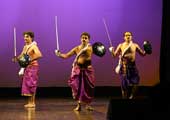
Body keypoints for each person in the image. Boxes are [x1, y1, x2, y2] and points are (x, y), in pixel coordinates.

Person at [55, 32, 98, 111]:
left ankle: (88, 105)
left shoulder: (90, 48)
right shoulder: (77, 48)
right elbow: (66, 56)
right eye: (83, 38)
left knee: (89, 88)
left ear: (88, 40)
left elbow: (100, 52)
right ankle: (79, 105)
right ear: (80, 39)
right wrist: (59, 54)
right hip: (78, 70)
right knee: (78, 88)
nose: (84, 39)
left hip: (88, 70)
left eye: (86, 38)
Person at [109, 31, 148, 99]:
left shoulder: (135, 45)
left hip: (133, 67)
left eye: (129, 35)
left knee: (136, 82)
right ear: (124, 37)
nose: (128, 36)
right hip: (124, 67)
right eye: (126, 35)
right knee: (124, 86)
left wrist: (147, 49)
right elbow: (114, 55)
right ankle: (124, 100)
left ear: (131, 37)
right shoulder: (121, 45)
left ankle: (132, 96)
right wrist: (112, 51)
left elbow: (143, 54)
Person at [12, 31, 42, 107]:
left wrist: (29, 60)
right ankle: (29, 102)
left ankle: (33, 102)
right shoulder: (25, 47)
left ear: (31, 38)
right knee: (28, 84)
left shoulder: (34, 46)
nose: (25, 38)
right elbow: (22, 55)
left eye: (27, 36)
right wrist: (17, 59)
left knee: (32, 84)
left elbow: (39, 55)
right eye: (24, 36)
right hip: (27, 67)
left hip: (33, 67)